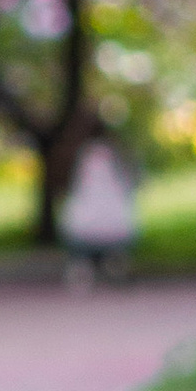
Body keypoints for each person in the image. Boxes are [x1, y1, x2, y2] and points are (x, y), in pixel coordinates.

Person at [57, 120, 139, 283]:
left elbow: (74, 183)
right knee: (112, 240)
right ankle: (113, 264)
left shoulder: (82, 154)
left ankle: (85, 268)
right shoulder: (115, 153)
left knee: (82, 239)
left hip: (88, 211)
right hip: (111, 212)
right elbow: (127, 180)